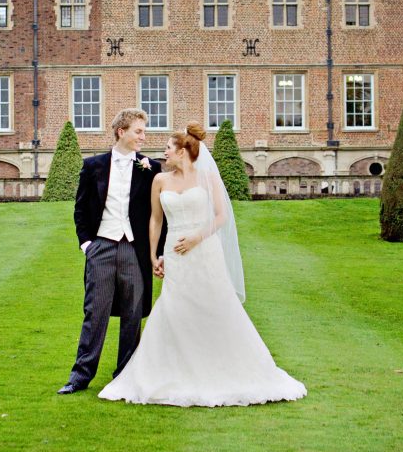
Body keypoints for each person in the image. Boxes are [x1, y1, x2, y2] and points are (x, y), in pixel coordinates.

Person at [98, 124, 307, 407]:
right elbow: (155, 220)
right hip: (174, 251)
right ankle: (170, 370)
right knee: (174, 306)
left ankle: (224, 367)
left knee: (214, 305)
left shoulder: (208, 177)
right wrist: (152, 256)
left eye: (168, 149)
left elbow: (221, 216)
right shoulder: (159, 180)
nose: (164, 153)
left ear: (182, 151)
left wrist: (197, 237)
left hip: (205, 249)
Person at [58, 109, 163, 394]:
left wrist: (158, 252)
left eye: (144, 131)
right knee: (95, 312)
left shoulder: (151, 168)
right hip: (102, 246)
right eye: (139, 131)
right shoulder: (93, 166)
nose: (144, 136)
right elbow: (80, 209)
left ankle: (125, 375)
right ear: (121, 131)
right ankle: (80, 377)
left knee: (133, 314)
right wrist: (87, 245)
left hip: (134, 249)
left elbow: (158, 215)